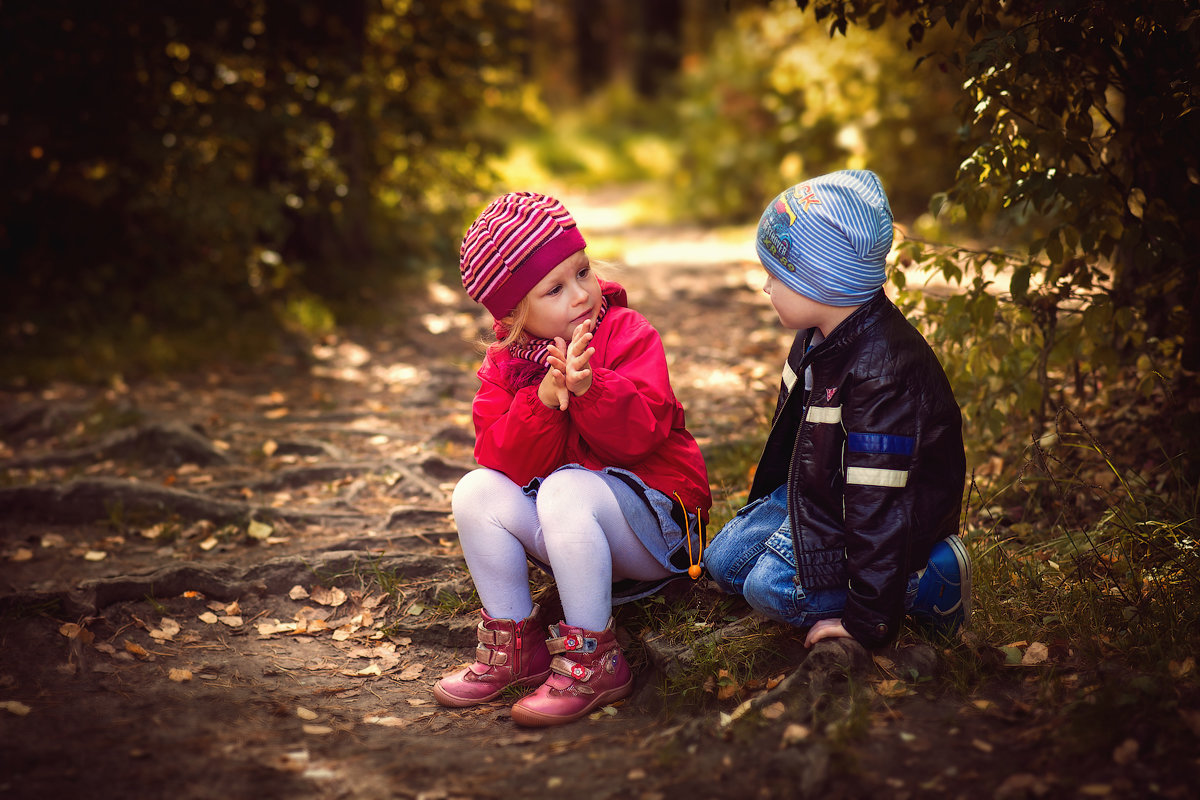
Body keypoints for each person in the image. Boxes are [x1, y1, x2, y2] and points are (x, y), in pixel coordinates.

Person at [434, 191, 712, 726]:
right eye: (555, 288)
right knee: (474, 490)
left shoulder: (628, 334)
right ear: (515, 312)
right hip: (573, 530)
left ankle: (594, 659)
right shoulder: (507, 369)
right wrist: (539, 403)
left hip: (660, 529)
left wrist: (592, 391)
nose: (581, 294)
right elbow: (503, 463)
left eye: (582, 272)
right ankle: (515, 645)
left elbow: (642, 436)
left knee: (564, 486)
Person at [703, 170, 969, 651]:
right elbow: (795, 446)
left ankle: (926, 582)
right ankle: (813, 568)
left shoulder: (882, 374)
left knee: (768, 590)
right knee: (723, 561)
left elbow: (880, 507)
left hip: (887, 518)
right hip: (825, 496)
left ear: (822, 282)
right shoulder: (814, 339)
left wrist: (868, 619)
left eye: (777, 276)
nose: (766, 287)